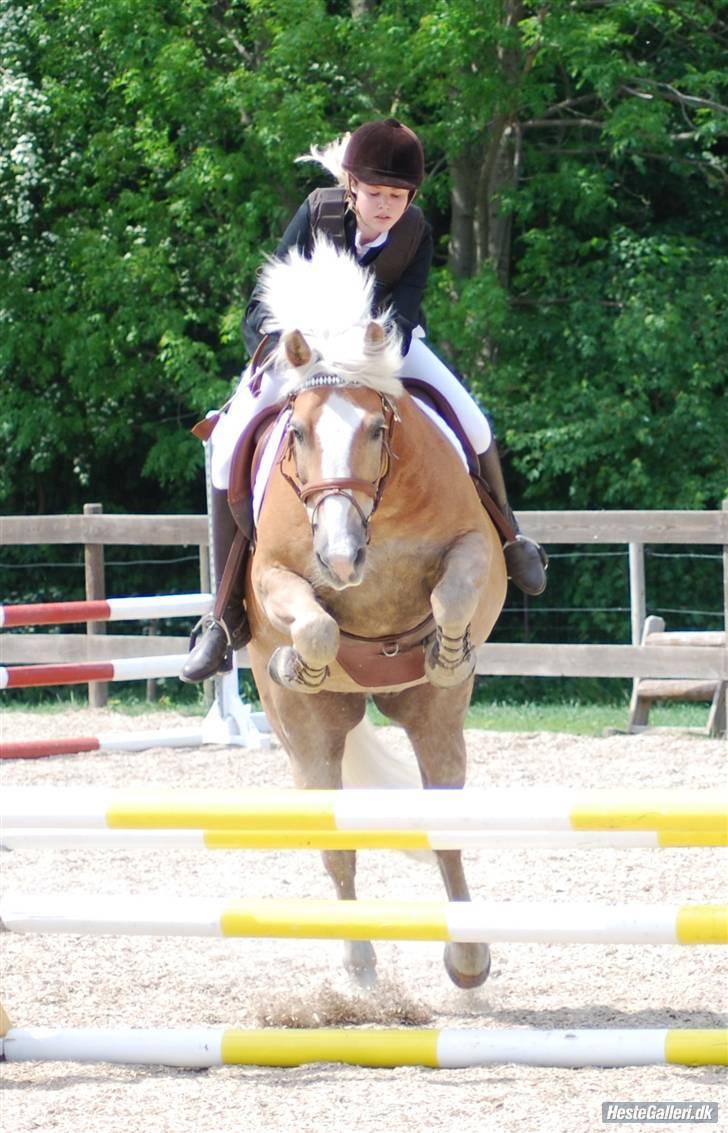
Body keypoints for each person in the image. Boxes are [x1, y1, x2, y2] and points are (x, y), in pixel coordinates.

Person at [181, 118, 547, 683]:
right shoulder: (318, 212)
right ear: (351, 187)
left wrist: (374, 349)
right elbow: (262, 301)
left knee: (471, 418)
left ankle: (512, 536)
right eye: (375, 194)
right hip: (307, 353)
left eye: (397, 196)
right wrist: (283, 347)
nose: (386, 206)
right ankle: (223, 615)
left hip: (384, 350)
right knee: (228, 438)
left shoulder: (417, 230)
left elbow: (405, 307)